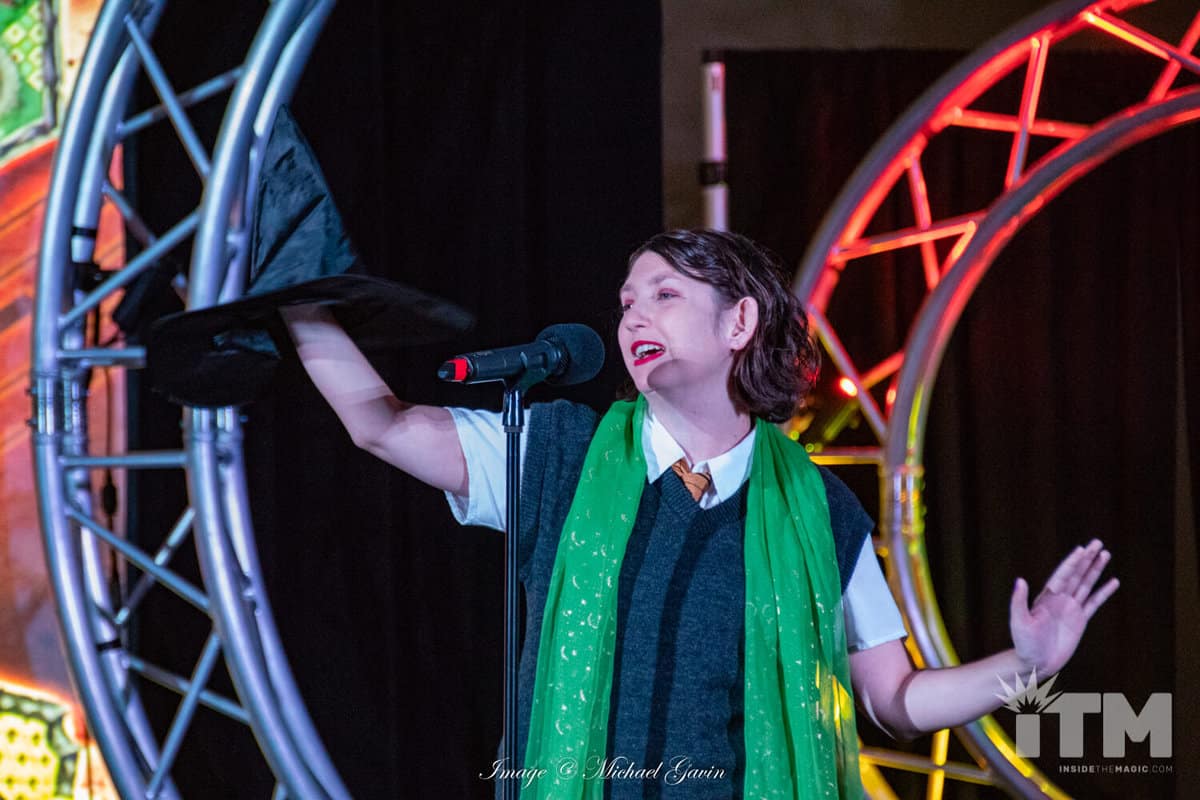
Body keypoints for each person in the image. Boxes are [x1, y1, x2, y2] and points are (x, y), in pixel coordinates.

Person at [281, 229, 1118, 799]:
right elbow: (381, 425)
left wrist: (1025, 665)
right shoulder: (557, 453)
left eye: (665, 294)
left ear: (739, 321)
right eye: (626, 302)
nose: (633, 316)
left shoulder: (817, 511)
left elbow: (895, 699)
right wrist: (295, 306)